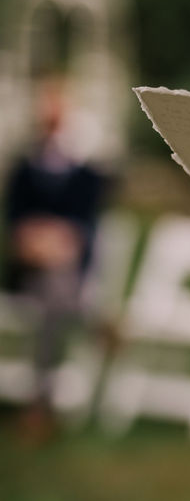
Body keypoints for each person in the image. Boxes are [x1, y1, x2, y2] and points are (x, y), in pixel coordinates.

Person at [3, 77, 107, 443]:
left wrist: (61, 242)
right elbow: (14, 222)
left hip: (68, 270)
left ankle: (39, 399)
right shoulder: (22, 169)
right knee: (57, 290)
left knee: (56, 291)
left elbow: (86, 225)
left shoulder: (87, 172)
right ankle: (96, 321)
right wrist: (34, 242)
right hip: (28, 272)